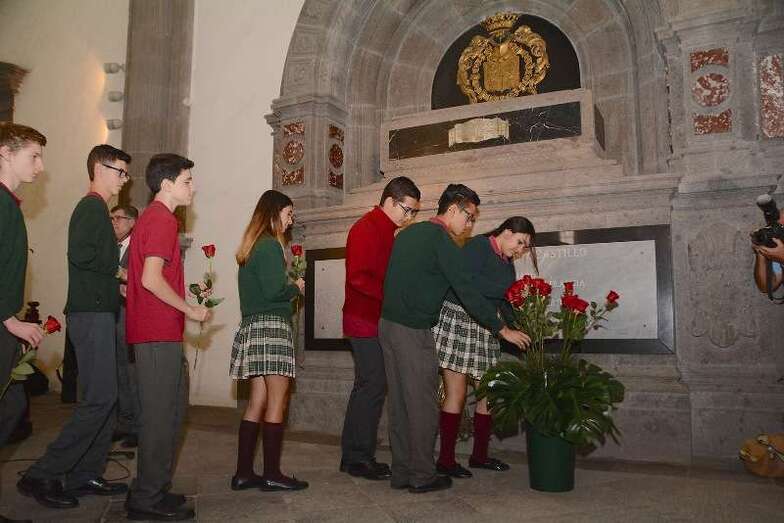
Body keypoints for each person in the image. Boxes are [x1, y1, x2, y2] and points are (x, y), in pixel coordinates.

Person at [379, 183, 530, 494]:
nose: (470, 224)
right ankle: (422, 475)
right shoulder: (442, 240)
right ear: (452, 210)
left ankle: (402, 472)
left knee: (400, 404)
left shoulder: (408, 233)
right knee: (422, 404)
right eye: (469, 216)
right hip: (413, 329)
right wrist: (501, 329)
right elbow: (467, 290)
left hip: (388, 325)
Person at [18, 145, 131, 509]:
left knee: (107, 398)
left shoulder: (99, 209)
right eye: (120, 172)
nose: (124, 179)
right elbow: (81, 254)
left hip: (100, 310)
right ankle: (42, 473)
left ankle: (85, 474)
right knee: (99, 399)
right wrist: (118, 272)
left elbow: (92, 261)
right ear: (99, 169)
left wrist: (115, 283)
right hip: (90, 314)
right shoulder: (91, 208)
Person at [125, 154, 209, 521]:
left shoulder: (153, 218)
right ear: (167, 184)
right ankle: (146, 498)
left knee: (169, 413)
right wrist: (189, 309)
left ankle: (154, 487)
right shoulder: (161, 219)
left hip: (158, 332)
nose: (193, 187)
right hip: (156, 333)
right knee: (160, 417)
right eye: (187, 181)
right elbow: (150, 279)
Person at [434, 217, 537, 479]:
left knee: (488, 393)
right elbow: (466, 284)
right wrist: (505, 294)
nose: (520, 250)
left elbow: (503, 301)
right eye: (520, 242)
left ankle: (479, 456)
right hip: (460, 319)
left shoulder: (506, 262)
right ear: (506, 232)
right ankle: (445, 460)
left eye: (525, 246)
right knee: (456, 392)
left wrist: (520, 326)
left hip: (488, 324)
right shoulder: (478, 246)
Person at [340, 176, 421, 480]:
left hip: (376, 320)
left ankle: (354, 456)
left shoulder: (386, 230)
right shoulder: (366, 228)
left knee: (369, 386)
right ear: (389, 201)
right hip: (364, 320)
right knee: (372, 386)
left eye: (413, 212)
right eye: (407, 210)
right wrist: (392, 296)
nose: (409, 217)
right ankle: (358, 458)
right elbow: (358, 277)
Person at [229, 189, 308, 492]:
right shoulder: (270, 246)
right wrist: (296, 286)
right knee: (278, 400)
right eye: (288, 214)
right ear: (275, 213)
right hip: (272, 329)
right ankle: (273, 473)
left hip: (253, 328)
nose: (291, 221)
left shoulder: (252, 246)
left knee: (256, 402)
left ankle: (243, 473)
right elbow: (275, 291)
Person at [0, 123, 46, 449]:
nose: (40, 167)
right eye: (34, 157)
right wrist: (9, 320)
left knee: (13, 404)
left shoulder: (8, 203)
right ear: (5, 153)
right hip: (3, 321)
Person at [111, 204, 140, 448]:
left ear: (132, 222)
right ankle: (124, 421)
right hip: (111, 315)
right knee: (118, 370)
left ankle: (138, 426)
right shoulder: (110, 247)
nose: (113, 222)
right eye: (111, 218)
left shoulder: (138, 248)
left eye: (118, 218)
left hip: (130, 315)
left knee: (132, 371)